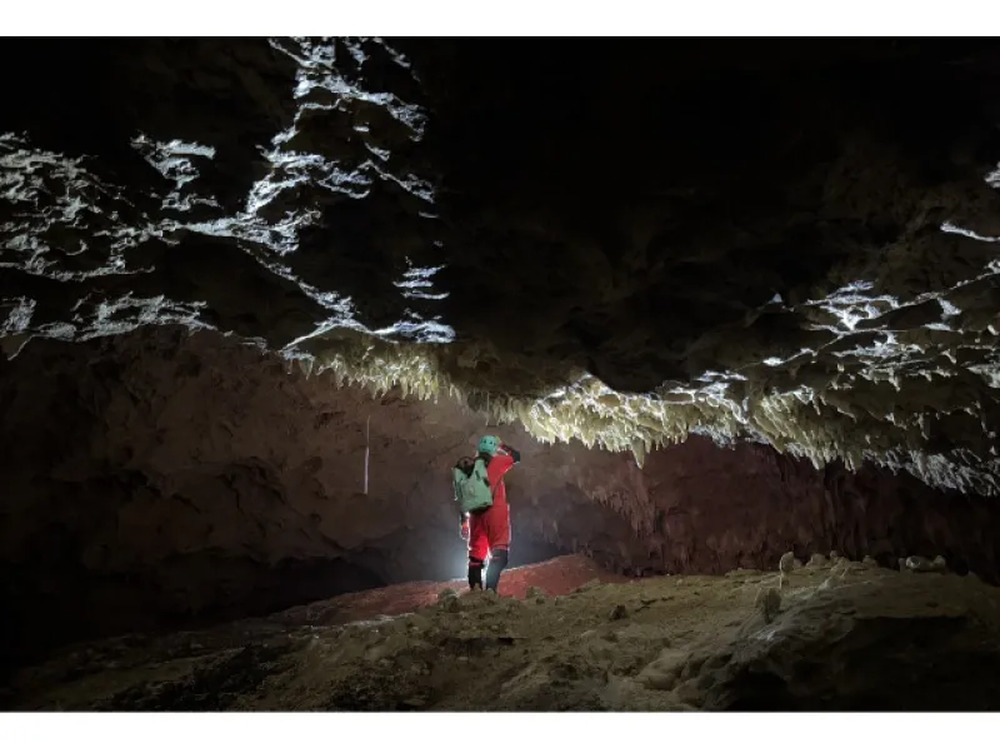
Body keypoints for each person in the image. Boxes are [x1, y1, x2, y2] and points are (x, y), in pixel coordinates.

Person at [458, 435, 521, 594]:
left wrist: (464, 522)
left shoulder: (469, 468)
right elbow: (516, 457)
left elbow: (463, 497)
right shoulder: (498, 462)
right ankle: (490, 591)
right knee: (500, 553)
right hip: (495, 513)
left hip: (475, 517)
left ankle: (476, 594)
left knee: (475, 558)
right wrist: (502, 445)